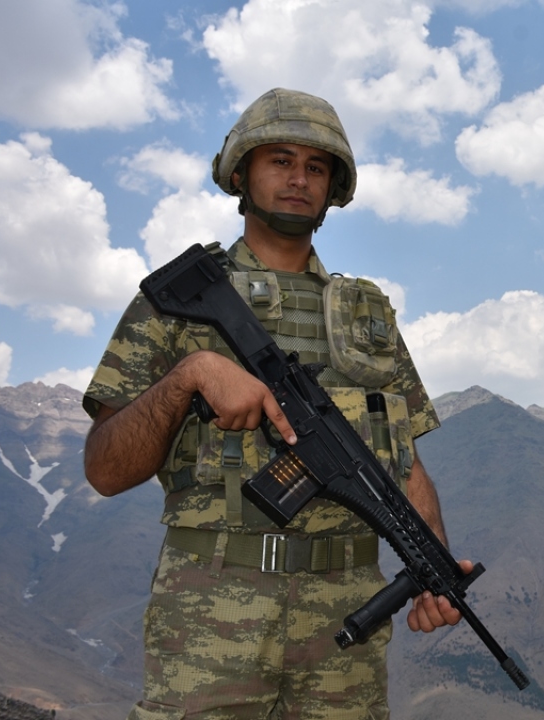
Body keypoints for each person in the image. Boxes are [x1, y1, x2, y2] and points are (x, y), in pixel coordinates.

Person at [82, 88, 465, 719]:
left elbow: (404, 463)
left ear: (333, 188)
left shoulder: (367, 317)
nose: (299, 179)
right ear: (240, 175)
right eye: (280, 160)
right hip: (211, 606)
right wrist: (191, 375)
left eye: (316, 167)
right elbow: (105, 468)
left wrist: (432, 566)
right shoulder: (177, 301)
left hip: (346, 611)